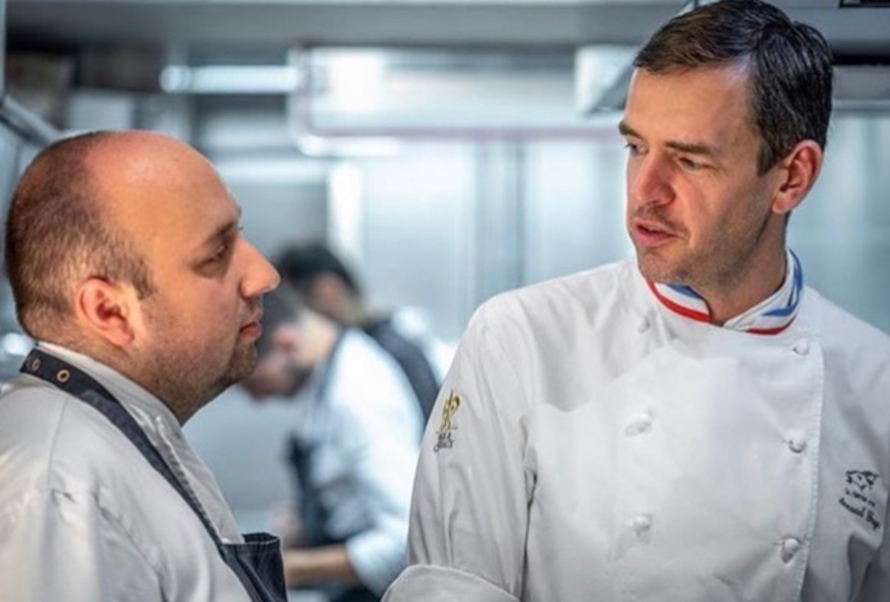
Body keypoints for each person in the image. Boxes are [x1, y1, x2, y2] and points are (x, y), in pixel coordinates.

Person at [383, 1, 890, 601]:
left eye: (689, 159)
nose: (645, 192)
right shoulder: (520, 339)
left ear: (791, 178)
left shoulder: (876, 382)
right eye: (635, 148)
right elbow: (450, 589)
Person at [0, 130, 286, 602]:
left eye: (240, 232)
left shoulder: (118, 440)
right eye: (216, 254)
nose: (265, 275)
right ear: (109, 311)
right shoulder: (63, 492)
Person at [240, 284, 423, 602]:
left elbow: (407, 540)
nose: (256, 399)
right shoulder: (329, 374)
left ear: (285, 343)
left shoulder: (357, 395)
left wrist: (290, 568)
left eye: (251, 382)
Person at [275, 243, 441, 422]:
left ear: (329, 290)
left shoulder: (380, 358)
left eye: (295, 313)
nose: (293, 331)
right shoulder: (358, 355)